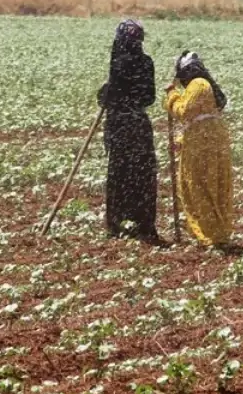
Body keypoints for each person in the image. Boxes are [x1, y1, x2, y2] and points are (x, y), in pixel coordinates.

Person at [97, 19, 161, 243]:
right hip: (139, 125)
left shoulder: (118, 61)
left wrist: (105, 95)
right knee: (142, 173)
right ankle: (144, 223)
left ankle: (116, 223)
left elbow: (115, 95)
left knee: (120, 173)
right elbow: (149, 97)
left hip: (121, 125)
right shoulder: (146, 62)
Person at [164, 51, 234, 247]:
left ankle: (211, 235)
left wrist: (171, 95)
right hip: (212, 138)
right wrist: (181, 139)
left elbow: (184, 111)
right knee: (215, 183)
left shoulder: (198, 85)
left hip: (202, 142)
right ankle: (218, 232)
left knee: (197, 185)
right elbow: (199, 117)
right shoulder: (206, 85)